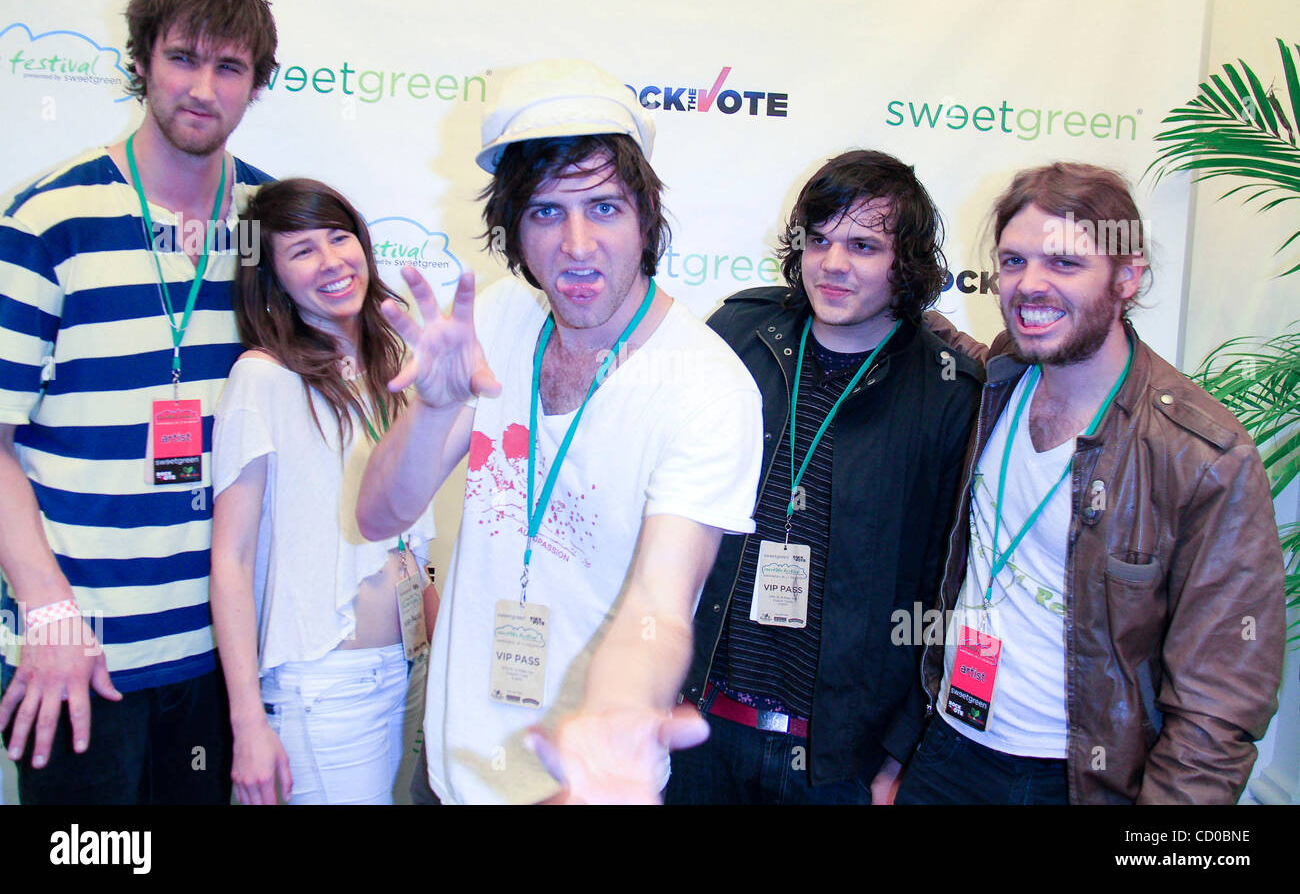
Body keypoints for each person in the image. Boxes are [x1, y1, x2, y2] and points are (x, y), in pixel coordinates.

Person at [355, 58, 764, 804]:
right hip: (447, 775)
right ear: (514, 227)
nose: (577, 243)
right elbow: (378, 514)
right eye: (546, 211)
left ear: (646, 217)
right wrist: (436, 409)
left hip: (584, 784)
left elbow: (660, 598)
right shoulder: (500, 317)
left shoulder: (707, 387)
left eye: (604, 207)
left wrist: (612, 719)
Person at [900, 162, 1285, 804]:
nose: (1030, 285)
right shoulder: (1002, 376)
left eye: (1065, 264)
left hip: (1076, 779)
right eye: (1014, 261)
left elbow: (1220, 707)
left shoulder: (1203, 458)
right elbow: (940, 338)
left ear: (1127, 277)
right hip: (949, 743)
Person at [0, 0, 278, 803]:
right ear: (140, 63)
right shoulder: (51, 220)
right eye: (182, 58)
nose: (203, 88)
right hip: (80, 661)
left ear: (256, 83)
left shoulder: (269, 228)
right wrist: (47, 611)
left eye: (229, 67)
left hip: (223, 658)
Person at [664, 150, 981, 805]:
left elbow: (946, 588)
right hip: (701, 732)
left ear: (908, 261)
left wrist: (901, 750)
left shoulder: (948, 391)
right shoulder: (739, 333)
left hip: (837, 765)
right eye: (819, 240)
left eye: (863, 245)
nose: (833, 264)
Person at [210, 179, 438, 805]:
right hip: (325, 685)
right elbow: (230, 561)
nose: (333, 261)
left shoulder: (390, 360)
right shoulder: (263, 379)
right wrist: (248, 722)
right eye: (303, 250)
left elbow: (406, 529)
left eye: (340, 238)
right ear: (273, 276)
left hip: (406, 667)